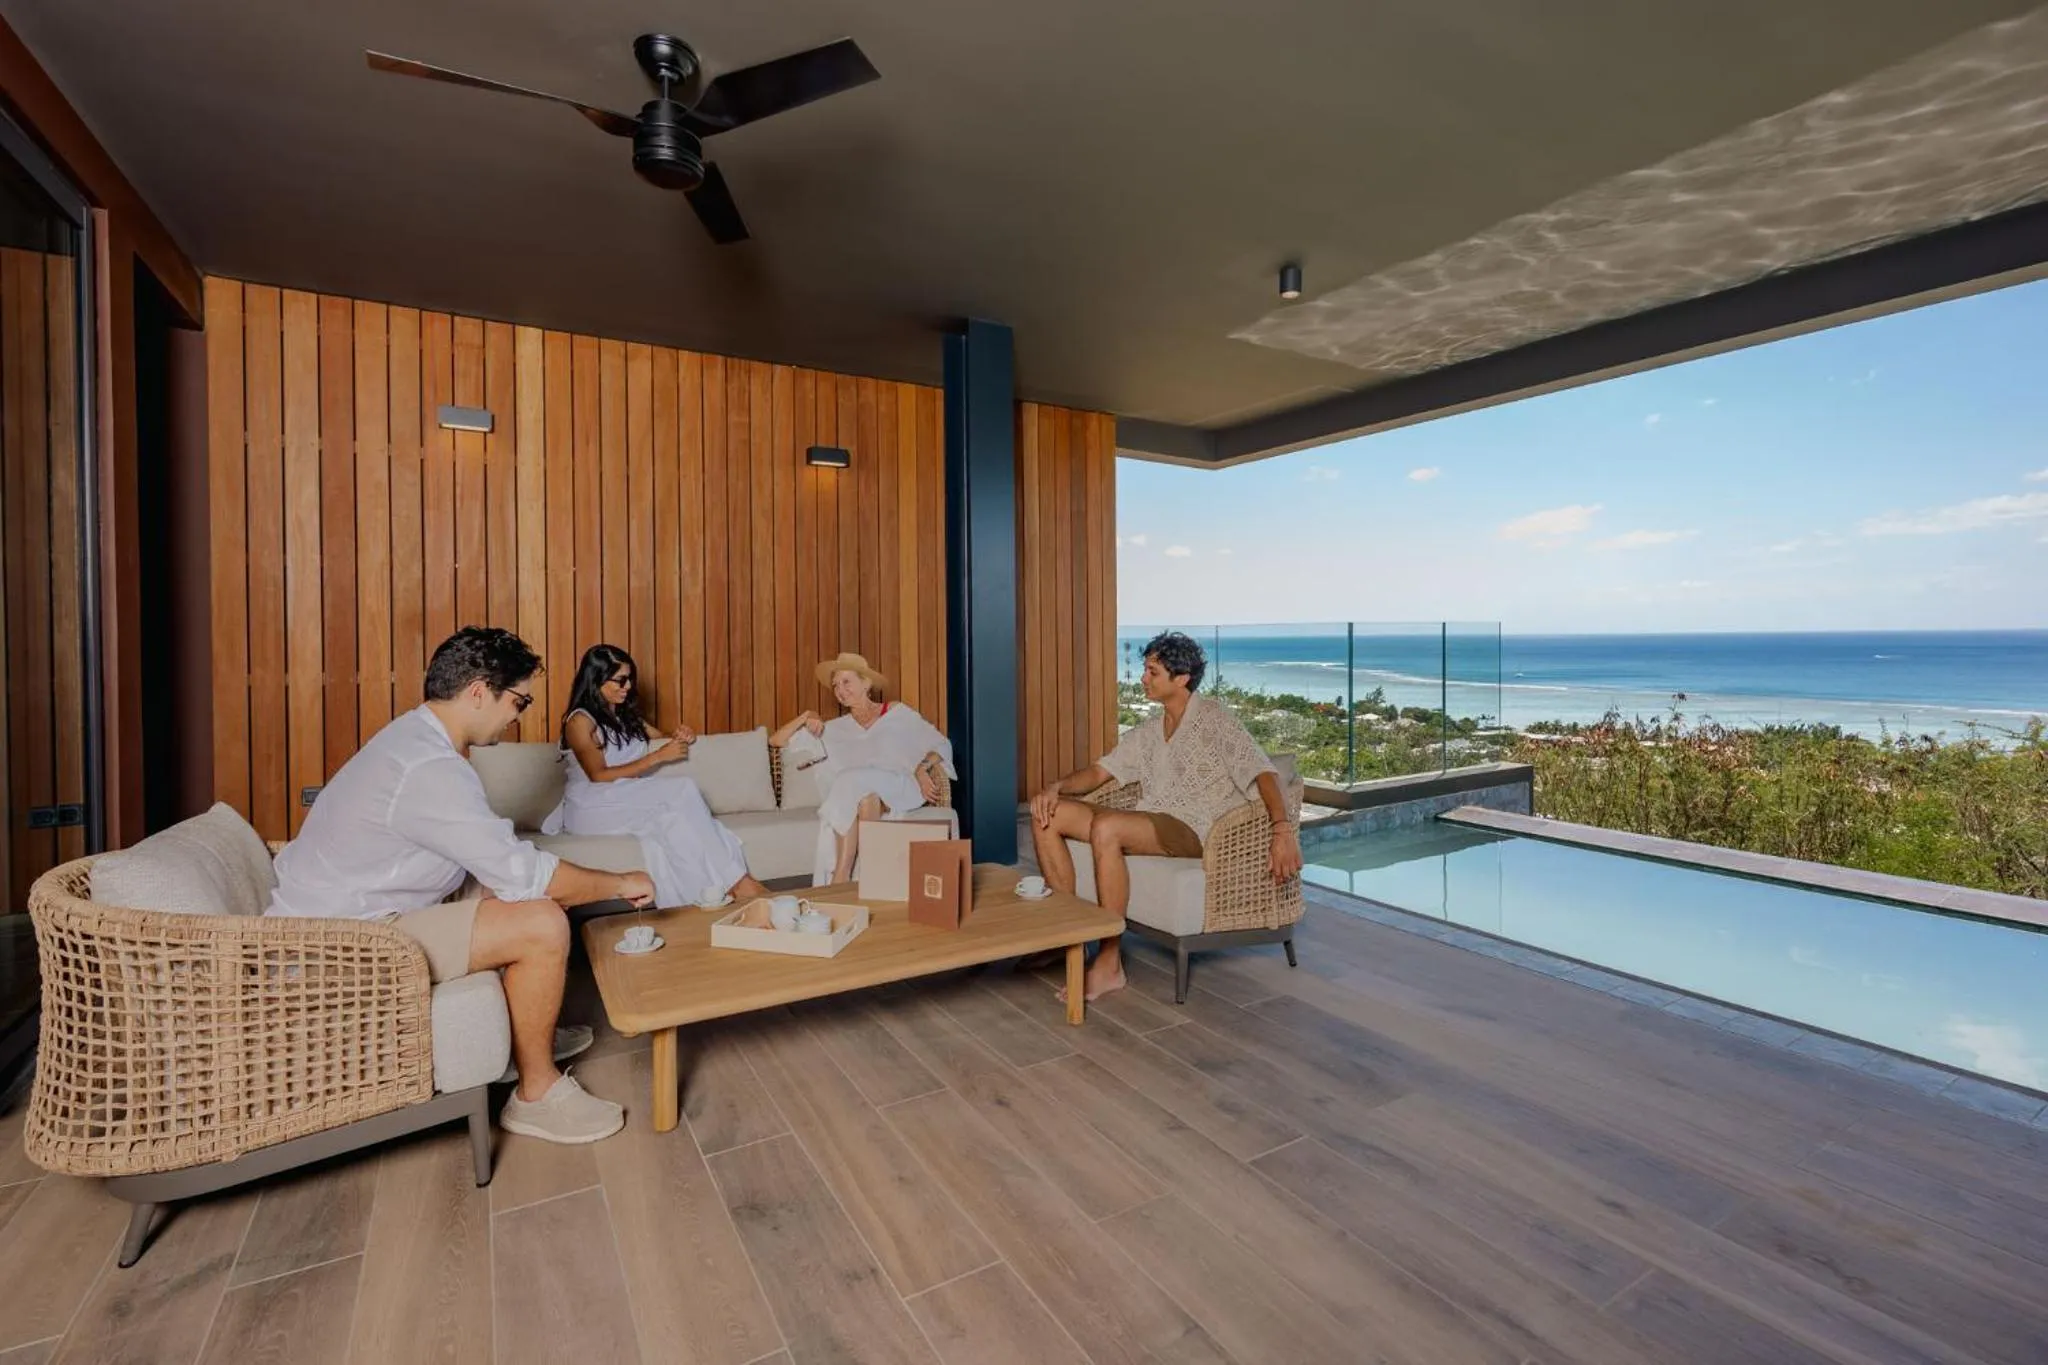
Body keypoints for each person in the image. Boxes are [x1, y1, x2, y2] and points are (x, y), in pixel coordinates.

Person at [267, 626, 653, 1145]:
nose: (519, 715)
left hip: (350, 915)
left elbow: (494, 864)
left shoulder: (414, 739)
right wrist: (621, 880)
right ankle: (535, 1094)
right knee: (540, 921)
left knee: (504, 889)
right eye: (519, 700)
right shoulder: (428, 768)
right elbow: (525, 874)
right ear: (478, 692)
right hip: (340, 945)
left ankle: (529, 1032)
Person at [1029, 630, 1302, 1001]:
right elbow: (1099, 773)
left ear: (1182, 678)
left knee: (1107, 827)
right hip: (1150, 819)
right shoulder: (1148, 731)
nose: (1143, 679)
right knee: (1046, 813)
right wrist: (1055, 787)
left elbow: (1263, 772)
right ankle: (1065, 937)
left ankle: (1109, 963)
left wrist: (1282, 831)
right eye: (1146, 670)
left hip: (1195, 829)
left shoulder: (1214, 718)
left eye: (1152, 672)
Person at [548, 644, 770, 908]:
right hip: (590, 805)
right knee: (682, 789)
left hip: (623, 799)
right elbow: (598, 775)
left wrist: (681, 736)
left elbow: (663, 738)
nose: (628, 686)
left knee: (675, 822)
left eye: (630, 679)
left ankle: (704, 903)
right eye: (620, 679)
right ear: (596, 679)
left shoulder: (627, 719)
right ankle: (740, 883)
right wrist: (658, 757)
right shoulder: (580, 721)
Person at [769, 652, 955, 885]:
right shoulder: (832, 729)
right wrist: (806, 716)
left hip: (901, 788)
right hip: (864, 799)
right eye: (835, 685)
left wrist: (922, 768)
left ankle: (838, 878)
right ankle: (854, 877)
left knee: (848, 777)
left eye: (846, 682)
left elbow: (941, 744)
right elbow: (776, 741)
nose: (840, 690)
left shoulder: (898, 713)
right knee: (865, 797)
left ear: (866, 683)